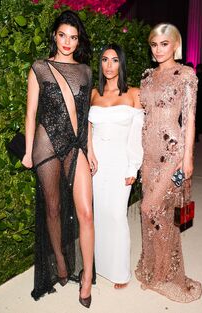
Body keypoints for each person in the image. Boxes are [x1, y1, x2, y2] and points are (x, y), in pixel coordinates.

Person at [22, 10, 94, 308]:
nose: (67, 42)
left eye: (73, 37)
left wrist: (90, 150)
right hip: (46, 144)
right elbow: (30, 114)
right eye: (63, 35)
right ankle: (61, 261)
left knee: (86, 213)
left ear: (79, 41)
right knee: (52, 208)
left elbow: (87, 116)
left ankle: (87, 276)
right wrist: (28, 151)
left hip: (76, 146)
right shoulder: (39, 68)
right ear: (55, 35)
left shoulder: (87, 72)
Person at [135, 23, 202, 302]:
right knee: (153, 213)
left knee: (152, 208)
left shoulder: (185, 75)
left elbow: (189, 119)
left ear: (175, 44)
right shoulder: (147, 78)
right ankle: (153, 267)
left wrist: (187, 159)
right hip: (148, 154)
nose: (159, 49)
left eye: (164, 43)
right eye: (154, 44)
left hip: (172, 153)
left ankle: (164, 272)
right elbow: (142, 118)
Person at [88, 44, 144, 289]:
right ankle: (100, 265)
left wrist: (134, 167)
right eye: (104, 60)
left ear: (121, 64)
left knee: (116, 215)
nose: (109, 65)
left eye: (114, 60)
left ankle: (120, 272)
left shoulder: (134, 93)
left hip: (121, 160)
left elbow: (137, 134)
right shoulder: (93, 94)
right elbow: (87, 128)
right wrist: (88, 153)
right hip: (96, 162)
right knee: (98, 214)